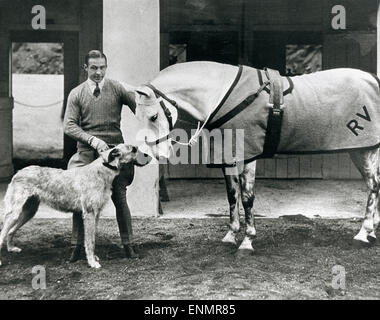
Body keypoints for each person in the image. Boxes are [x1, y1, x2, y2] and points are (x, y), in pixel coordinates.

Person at [63, 49, 138, 261]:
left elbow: (140, 108)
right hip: (87, 154)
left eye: (102, 67)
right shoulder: (76, 93)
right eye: (94, 68)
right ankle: (76, 246)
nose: (98, 72)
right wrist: (93, 140)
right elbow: (69, 126)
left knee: (120, 198)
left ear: (106, 67)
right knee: (82, 201)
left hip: (115, 156)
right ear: (86, 68)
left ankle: (128, 245)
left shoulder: (116, 88)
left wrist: (148, 99)